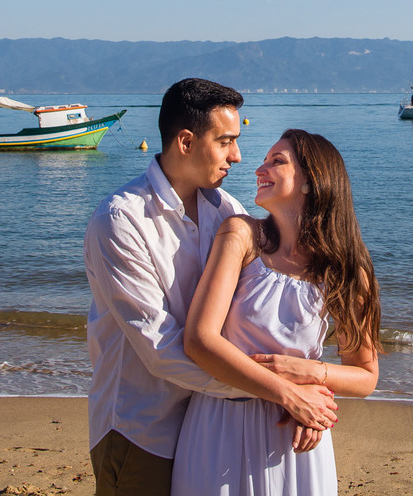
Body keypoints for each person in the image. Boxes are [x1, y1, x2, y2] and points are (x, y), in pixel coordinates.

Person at [84, 80, 338, 496]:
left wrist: (303, 381)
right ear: (186, 141)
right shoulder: (121, 220)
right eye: (226, 142)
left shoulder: (228, 213)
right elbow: (161, 350)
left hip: (208, 425)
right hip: (143, 427)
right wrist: (281, 393)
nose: (238, 156)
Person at [172, 129, 382, 496]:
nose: (259, 168)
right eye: (265, 160)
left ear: (311, 182)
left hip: (296, 437)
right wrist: (292, 393)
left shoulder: (348, 270)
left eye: (276, 161)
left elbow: (365, 376)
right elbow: (199, 341)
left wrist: (315, 377)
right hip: (223, 424)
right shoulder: (241, 235)